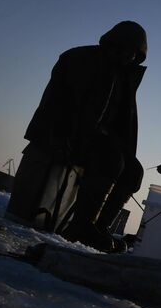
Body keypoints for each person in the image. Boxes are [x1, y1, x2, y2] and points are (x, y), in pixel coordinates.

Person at [20, 21, 148, 253]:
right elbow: (56, 104)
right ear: (114, 45)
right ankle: (81, 226)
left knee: (134, 171)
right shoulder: (80, 59)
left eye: (133, 55)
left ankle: (99, 227)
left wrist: (123, 148)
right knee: (111, 159)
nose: (128, 58)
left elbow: (123, 123)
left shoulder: (125, 78)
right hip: (66, 134)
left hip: (100, 140)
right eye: (125, 51)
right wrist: (63, 138)